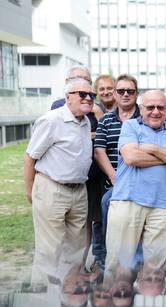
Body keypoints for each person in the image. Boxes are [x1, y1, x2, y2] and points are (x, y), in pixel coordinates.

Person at [104, 90, 166, 278]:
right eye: (150, 107)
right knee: (117, 264)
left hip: (163, 205)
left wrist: (151, 148)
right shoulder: (130, 126)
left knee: (154, 270)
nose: (155, 112)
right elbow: (131, 157)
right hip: (127, 201)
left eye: (161, 107)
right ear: (141, 109)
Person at [24, 78, 94, 286]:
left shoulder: (85, 121)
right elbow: (30, 157)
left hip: (79, 191)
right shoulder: (51, 120)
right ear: (68, 97)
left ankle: (67, 295)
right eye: (83, 94)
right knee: (49, 250)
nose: (89, 98)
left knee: (76, 250)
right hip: (52, 189)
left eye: (92, 95)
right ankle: (43, 299)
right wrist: (30, 191)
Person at [94, 74, 141, 271]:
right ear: (115, 94)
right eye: (121, 91)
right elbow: (99, 150)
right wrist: (114, 176)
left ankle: (136, 258)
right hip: (115, 182)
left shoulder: (146, 117)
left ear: (136, 94)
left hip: (141, 180)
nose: (125, 94)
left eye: (130, 91)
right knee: (107, 202)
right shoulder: (106, 120)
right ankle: (107, 254)